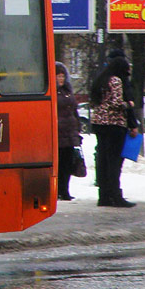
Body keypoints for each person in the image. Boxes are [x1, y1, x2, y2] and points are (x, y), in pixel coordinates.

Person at [90, 53, 140, 208]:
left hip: (99, 124)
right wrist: (129, 104)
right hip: (114, 124)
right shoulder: (116, 81)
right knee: (114, 161)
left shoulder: (100, 80)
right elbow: (116, 103)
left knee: (103, 159)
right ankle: (116, 196)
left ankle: (103, 196)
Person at [54, 62, 80, 201]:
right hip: (58, 133)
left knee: (68, 164)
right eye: (58, 76)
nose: (61, 79)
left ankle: (65, 190)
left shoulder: (67, 92)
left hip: (69, 133)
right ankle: (58, 190)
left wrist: (77, 129)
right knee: (59, 164)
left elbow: (74, 111)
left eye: (63, 76)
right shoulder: (52, 93)